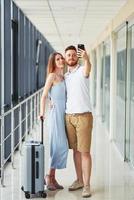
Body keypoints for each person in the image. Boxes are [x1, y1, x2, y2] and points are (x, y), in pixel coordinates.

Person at [64, 45, 93, 198]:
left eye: (74, 55)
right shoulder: (66, 76)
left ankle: (87, 186)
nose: (71, 57)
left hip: (84, 117)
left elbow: (88, 67)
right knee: (75, 152)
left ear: (78, 56)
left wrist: (87, 58)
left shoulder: (83, 70)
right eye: (68, 55)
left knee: (85, 152)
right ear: (65, 58)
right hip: (69, 117)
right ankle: (79, 180)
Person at [40, 52, 68, 191]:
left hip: (64, 113)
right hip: (55, 113)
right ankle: (48, 177)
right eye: (58, 59)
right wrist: (42, 113)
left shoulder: (63, 76)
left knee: (60, 145)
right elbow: (44, 96)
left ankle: (53, 177)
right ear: (53, 62)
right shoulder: (52, 76)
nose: (61, 60)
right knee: (58, 145)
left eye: (62, 58)